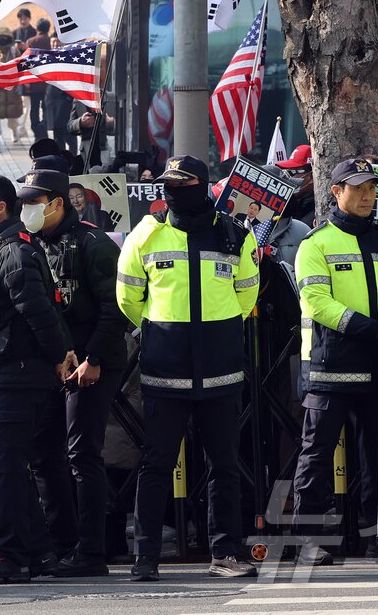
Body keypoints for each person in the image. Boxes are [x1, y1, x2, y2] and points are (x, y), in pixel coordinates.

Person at [116, 156, 260, 580]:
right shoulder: (146, 233)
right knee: (156, 463)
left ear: (204, 186)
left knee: (224, 465)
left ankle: (226, 553)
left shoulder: (233, 234)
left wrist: (217, 331)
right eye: (167, 183)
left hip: (220, 369)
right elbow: (129, 300)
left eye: (183, 182)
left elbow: (246, 296)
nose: (172, 190)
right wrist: (163, 331)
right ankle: (146, 558)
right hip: (165, 368)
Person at [290, 158, 378, 565]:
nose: (367, 195)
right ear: (336, 191)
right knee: (316, 454)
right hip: (330, 365)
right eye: (358, 188)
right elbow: (315, 302)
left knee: (377, 456)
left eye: (371, 188)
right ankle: (305, 540)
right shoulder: (316, 243)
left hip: (375, 362)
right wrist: (365, 327)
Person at [18, 168, 128, 577]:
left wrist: (93, 358)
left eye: (34, 201)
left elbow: (114, 306)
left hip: (93, 362)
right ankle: (61, 543)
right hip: (56, 360)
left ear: (57, 202)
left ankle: (91, 550)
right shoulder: (31, 242)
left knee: (82, 453)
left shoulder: (93, 242)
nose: (27, 208)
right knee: (46, 454)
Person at [0, 173, 69, 585]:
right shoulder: (1, 247)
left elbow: (37, 309)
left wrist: (59, 356)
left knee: (9, 467)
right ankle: (41, 553)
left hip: (17, 374)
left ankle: (11, 556)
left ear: (1, 207)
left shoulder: (13, 251)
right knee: (17, 466)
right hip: (11, 373)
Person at [23, 18, 54, 142]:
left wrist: (26, 82)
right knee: (47, 107)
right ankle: (44, 127)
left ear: (37, 28)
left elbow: (27, 62)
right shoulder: (51, 42)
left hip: (34, 82)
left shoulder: (31, 41)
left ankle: (37, 131)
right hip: (49, 83)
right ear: (48, 28)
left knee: (34, 108)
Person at [0, 34, 24, 143]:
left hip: (12, 87)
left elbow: (20, 67)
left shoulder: (14, 52)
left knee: (13, 113)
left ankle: (14, 130)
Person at [68, 101, 116, 171]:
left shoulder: (109, 98)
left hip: (106, 148)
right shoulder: (79, 99)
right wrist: (80, 122)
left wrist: (113, 122)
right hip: (87, 150)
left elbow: (125, 122)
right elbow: (70, 127)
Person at [276, 145, 316, 227]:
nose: (287, 177)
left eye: (291, 172)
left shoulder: (317, 211)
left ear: (312, 176)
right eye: (285, 171)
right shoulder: (291, 204)